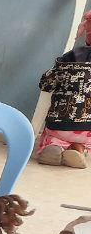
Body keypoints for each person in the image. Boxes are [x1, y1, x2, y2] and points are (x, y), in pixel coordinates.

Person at [35, 10, 91, 168]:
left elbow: (47, 82)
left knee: (56, 133)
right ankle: (78, 149)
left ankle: (53, 146)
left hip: (59, 124)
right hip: (88, 130)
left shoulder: (72, 55)